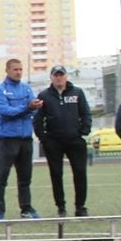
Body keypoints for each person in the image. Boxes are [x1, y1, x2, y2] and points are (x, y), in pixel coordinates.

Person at [33, 65, 91, 217]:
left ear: (66, 76)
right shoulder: (44, 95)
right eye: (56, 75)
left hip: (75, 141)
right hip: (53, 142)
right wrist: (43, 138)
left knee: (80, 173)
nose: (59, 78)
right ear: (51, 78)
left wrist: (84, 132)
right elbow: (37, 119)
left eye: (61, 75)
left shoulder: (77, 93)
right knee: (56, 174)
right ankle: (61, 207)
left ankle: (80, 207)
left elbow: (86, 113)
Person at [0, 58, 43, 220]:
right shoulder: (0, 90)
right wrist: (27, 108)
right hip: (7, 139)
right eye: (15, 69)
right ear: (7, 71)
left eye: (20, 69)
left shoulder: (27, 89)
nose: (18, 72)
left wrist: (30, 108)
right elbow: (5, 111)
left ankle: (26, 208)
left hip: (26, 138)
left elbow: (33, 111)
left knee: (25, 177)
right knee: (2, 177)